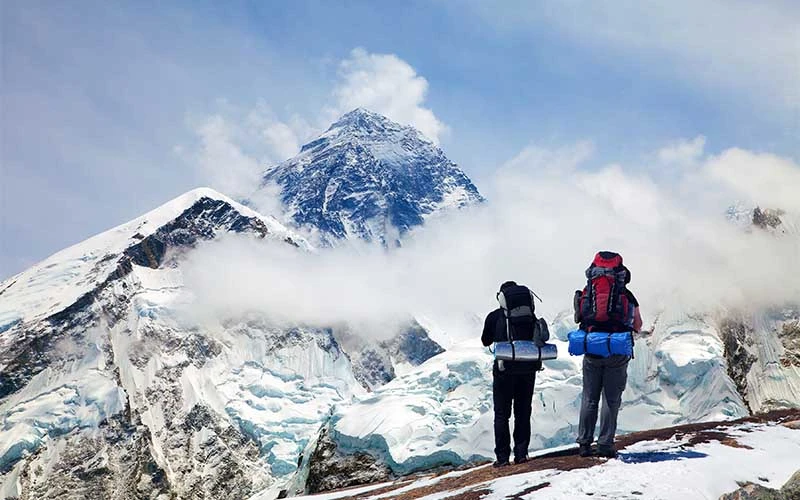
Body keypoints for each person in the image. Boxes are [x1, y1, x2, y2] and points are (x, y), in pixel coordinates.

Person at [573, 251, 643, 458]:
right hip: (616, 350)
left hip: (592, 349)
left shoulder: (587, 292)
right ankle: (605, 444)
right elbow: (638, 325)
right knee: (611, 399)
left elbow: (579, 317)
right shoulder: (627, 295)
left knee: (589, 397)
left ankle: (584, 444)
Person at [481, 281, 547, 467]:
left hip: (504, 370)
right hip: (527, 370)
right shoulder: (530, 316)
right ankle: (521, 454)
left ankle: (502, 458)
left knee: (502, 415)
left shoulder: (494, 317)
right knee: (523, 412)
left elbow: (485, 340)